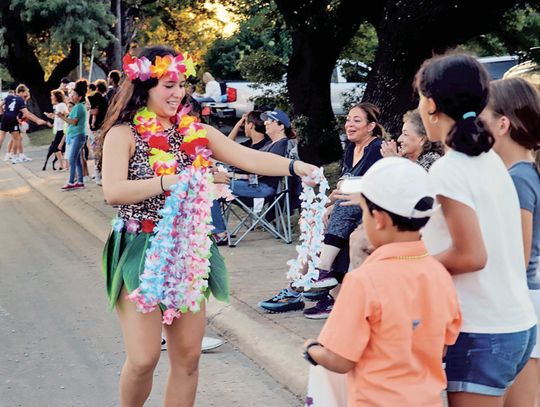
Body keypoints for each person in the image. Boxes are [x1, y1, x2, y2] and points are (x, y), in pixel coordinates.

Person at [99, 45, 317, 407]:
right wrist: (169, 181)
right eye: (168, 85)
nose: (177, 93)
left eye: (180, 84)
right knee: (143, 359)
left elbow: (249, 157)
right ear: (145, 87)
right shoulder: (123, 135)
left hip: (189, 249)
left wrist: (297, 168)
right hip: (140, 248)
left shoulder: (194, 132)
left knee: (188, 358)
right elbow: (114, 192)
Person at [416, 53, 536, 406]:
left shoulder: (449, 170)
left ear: (431, 104)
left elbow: (471, 255)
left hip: (482, 330)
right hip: (516, 323)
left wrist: (410, 266)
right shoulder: (491, 163)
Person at [303, 157, 462, 406]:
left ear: (379, 219)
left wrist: (312, 349)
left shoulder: (363, 281)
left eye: (364, 211)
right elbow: (442, 346)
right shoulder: (439, 273)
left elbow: (341, 360)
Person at [259, 103, 383, 319]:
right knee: (317, 223)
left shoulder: (377, 149)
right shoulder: (352, 148)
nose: (349, 125)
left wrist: (338, 202)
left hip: (370, 207)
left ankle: (317, 278)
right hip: (349, 203)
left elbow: (376, 187)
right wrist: (329, 203)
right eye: (348, 120)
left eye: (357, 120)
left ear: (371, 125)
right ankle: (302, 290)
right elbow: (344, 183)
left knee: (341, 212)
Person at [480, 77, 540, 407]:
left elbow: (517, 256)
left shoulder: (517, 179)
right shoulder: (523, 173)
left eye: (483, 116)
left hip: (523, 302)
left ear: (502, 124)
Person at [380, 109, 444, 170]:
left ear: (422, 140)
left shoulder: (432, 162)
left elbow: (411, 179)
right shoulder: (407, 160)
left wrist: (393, 161)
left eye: (405, 134)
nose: (399, 139)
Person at [0, 84, 49, 163]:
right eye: (26, 92)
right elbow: (27, 114)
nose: (27, 94)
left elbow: (0, 105)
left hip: (5, 118)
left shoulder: (9, 97)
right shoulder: (20, 100)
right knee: (17, 139)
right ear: (21, 92)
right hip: (13, 119)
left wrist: (2, 114)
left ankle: (15, 155)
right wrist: (37, 120)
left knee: (1, 137)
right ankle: (14, 157)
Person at [56, 80, 88, 191]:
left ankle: (71, 182)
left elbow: (73, 121)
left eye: (73, 95)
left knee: (72, 158)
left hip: (77, 135)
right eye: (71, 94)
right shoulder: (77, 106)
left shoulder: (79, 107)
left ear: (79, 97)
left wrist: (62, 117)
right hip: (75, 135)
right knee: (77, 159)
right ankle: (80, 181)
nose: (71, 96)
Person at [43, 90, 69, 171]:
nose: (51, 97)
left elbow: (64, 115)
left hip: (62, 130)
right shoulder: (58, 106)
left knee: (56, 147)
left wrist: (54, 115)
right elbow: (58, 117)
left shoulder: (61, 105)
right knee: (59, 147)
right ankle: (64, 165)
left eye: (52, 96)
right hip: (59, 129)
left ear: (57, 97)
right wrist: (51, 116)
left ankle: (64, 165)